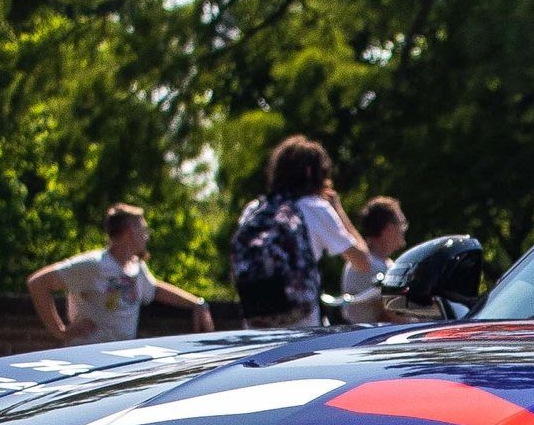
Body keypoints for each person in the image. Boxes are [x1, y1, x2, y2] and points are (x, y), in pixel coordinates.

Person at [229, 135, 372, 329]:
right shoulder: (315, 208)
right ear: (311, 172)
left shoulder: (254, 210)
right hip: (301, 328)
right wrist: (338, 209)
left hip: (257, 328)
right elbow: (363, 262)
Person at [26, 205, 212, 346]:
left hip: (119, 361)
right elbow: (38, 283)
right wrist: (60, 331)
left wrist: (197, 303)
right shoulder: (94, 264)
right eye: (144, 230)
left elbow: (155, 290)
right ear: (131, 230)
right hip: (87, 358)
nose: (147, 236)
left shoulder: (136, 267)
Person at [340, 196, 410, 327]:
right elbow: (395, 316)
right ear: (388, 228)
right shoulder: (370, 266)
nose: (404, 229)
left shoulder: (382, 264)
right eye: (402, 223)